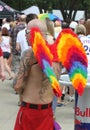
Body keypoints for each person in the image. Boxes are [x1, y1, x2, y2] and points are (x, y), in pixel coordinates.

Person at [14, 19, 61, 130]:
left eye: (26, 32)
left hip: (30, 113)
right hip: (48, 111)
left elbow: (17, 86)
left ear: (33, 33)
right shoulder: (57, 52)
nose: (25, 36)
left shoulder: (30, 53)